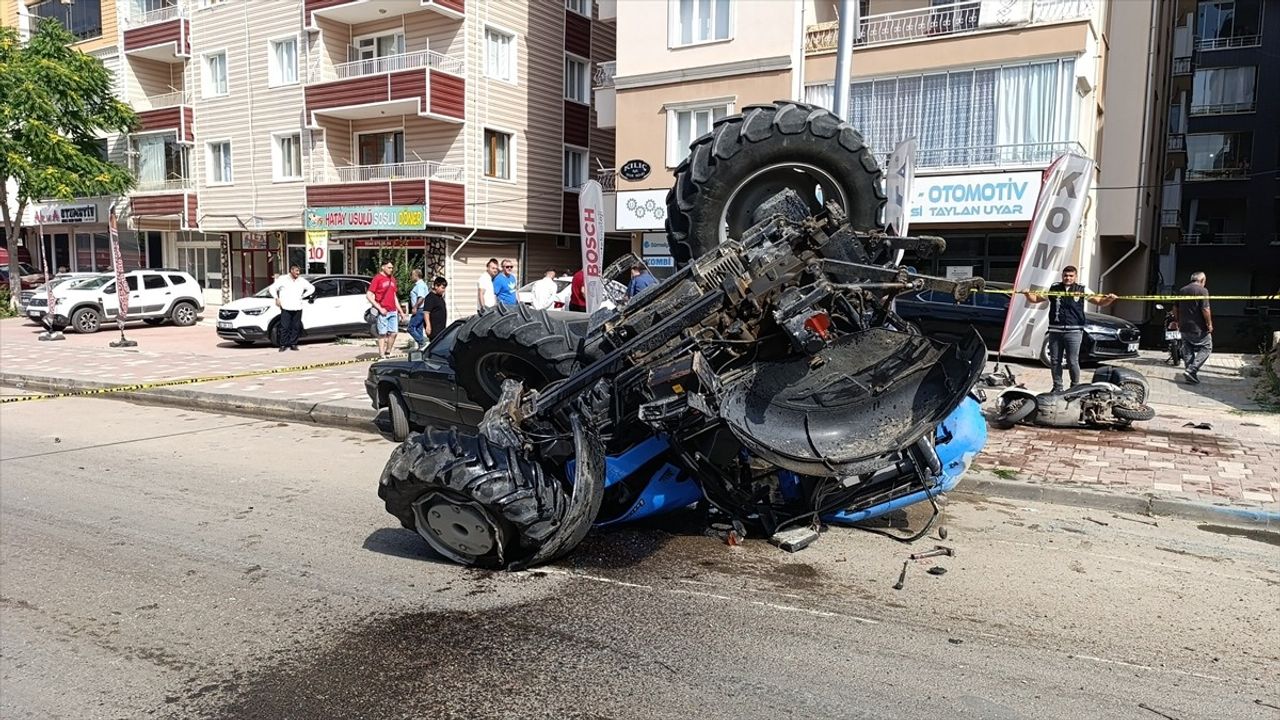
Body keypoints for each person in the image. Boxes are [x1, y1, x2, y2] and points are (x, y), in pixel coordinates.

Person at [1024, 265, 1117, 392]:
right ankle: (1057, 387)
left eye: (1071, 276)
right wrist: (1027, 294)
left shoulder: (1082, 289)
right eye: (1065, 275)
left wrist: (1109, 299)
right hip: (1055, 330)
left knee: (1072, 360)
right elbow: (1035, 299)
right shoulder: (1053, 288)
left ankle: (1075, 386)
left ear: (1075, 276)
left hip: (1074, 331)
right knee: (1055, 360)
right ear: (1062, 276)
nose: (1068, 278)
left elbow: (1099, 301)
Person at [268, 264, 314, 352]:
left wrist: (303, 296)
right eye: (296, 271)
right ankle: (283, 345)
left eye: (299, 271)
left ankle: (293, 344)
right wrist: (276, 298)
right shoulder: (283, 279)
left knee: (296, 327)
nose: (298, 273)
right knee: (284, 327)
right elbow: (272, 288)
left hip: (297, 306)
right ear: (291, 270)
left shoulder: (301, 280)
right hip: (286, 306)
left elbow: (312, 288)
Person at [1178, 271, 1213, 385]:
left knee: (1187, 348)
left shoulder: (1182, 290)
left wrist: (1177, 321)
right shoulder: (1203, 291)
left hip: (1184, 325)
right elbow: (1205, 309)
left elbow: (1175, 307)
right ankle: (1192, 370)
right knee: (1207, 347)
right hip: (1198, 326)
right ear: (1202, 280)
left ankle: (1190, 374)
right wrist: (1209, 324)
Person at [366, 261, 403, 359]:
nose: (391, 270)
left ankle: (388, 351)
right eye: (389, 267)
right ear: (383, 267)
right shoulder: (377, 278)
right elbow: (369, 295)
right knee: (382, 334)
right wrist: (380, 308)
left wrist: (401, 311)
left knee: (394, 333)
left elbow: (394, 296)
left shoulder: (392, 279)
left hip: (393, 310)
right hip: (383, 311)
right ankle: (381, 354)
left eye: (392, 268)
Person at [406, 268, 430, 351]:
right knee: (418, 328)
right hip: (423, 309)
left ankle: (422, 342)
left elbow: (421, 297)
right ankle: (421, 348)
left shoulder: (420, 285)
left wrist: (415, 307)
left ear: (416, 275)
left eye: (412, 275)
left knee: (411, 328)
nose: (411, 277)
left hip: (420, 309)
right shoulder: (422, 284)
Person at [422, 276, 448, 342]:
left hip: (441, 328)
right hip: (434, 329)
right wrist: (428, 326)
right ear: (436, 286)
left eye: (444, 288)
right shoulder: (430, 297)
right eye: (442, 288)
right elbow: (426, 312)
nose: (444, 290)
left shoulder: (440, 297)